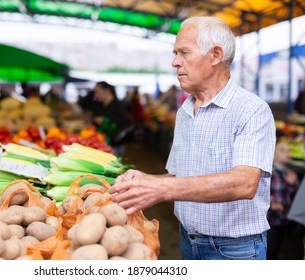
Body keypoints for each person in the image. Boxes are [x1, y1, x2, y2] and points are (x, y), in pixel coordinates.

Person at [109, 16, 276, 260]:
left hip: (234, 250)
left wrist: (160, 188)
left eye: (183, 52)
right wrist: (148, 179)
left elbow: (245, 183)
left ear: (215, 55)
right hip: (188, 240)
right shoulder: (186, 110)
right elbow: (180, 177)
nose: (175, 62)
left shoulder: (251, 110)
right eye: (175, 53)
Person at [267, 140, 299, 259]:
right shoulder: (269, 172)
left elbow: (291, 196)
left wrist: (292, 184)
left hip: (282, 219)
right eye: (282, 150)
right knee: (269, 248)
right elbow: (261, 192)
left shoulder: (289, 173)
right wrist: (271, 203)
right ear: (273, 153)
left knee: (277, 247)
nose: (287, 153)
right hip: (270, 219)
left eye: (288, 150)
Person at [92, 81, 132, 156]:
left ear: (107, 91)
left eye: (97, 92)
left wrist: (106, 120)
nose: (96, 95)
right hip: (102, 143)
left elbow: (125, 121)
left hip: (115, 144)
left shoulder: (118, 105)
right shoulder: (99, 105)